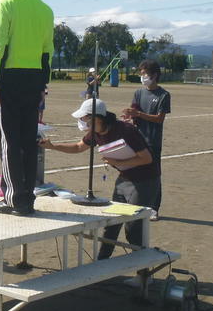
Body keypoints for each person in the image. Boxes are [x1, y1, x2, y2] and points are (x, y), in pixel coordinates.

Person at [40, 99, 157, 253]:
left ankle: (141, 265)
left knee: (134, 227)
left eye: (85, 118)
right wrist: (52, 146)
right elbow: (78, 147)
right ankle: (102, 260)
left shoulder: (126, 130)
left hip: (144, 181)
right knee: (111, 224)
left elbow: (146, 158)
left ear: (97, 118)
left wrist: (117, 162)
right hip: (124, 179)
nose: (82, 121)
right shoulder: (95, 133)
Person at [0, 0, 55, 215]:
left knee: (9, 141)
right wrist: (43, 85)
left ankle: (13, 199)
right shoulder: (46, 10)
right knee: (28, 140)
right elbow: (47, 51)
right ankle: (27, 197)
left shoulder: (6, 3)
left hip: (9, 78)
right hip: (35, 79)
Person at [123, 59, 171, 221]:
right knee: (135, 173)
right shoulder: (138, 93)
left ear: (154, 75)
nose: (142, 77)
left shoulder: (163, 95)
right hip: (138, 141)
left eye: (145, 74)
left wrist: (139, 114)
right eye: (141, 73)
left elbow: (159, 119)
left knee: (154, 175)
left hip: (153, 142)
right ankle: (135, 203)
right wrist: (129, 116)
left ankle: (154, 208)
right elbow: (134, 111)